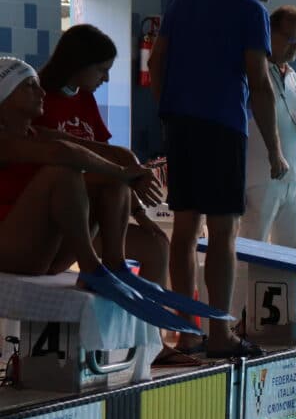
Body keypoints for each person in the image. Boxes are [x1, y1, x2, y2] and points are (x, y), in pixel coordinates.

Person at [0, 57, 200, 335]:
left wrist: (130, 178)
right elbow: (64, 154)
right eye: (30, 87)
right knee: (62, 174)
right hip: (9, 253)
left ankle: (114, 264)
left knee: (109, 183)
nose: (42, 92)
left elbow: (115, 154)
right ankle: (91, 266)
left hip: (44, 253)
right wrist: (123, 172)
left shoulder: (37, 134)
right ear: (5, 97)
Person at [149, 0, 284, 357]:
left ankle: (186, 333)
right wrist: (274, 149)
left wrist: (169, 111)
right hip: (222, 126)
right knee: (224, 232)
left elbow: (156, 60)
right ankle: (221, 333)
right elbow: (258, 80)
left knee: (185, 229)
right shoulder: (251, 10)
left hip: (180, 124)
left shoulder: (181, 5)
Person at [233, 6, 296, 326]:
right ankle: (235, 320)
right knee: (249, 251)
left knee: (289, 253)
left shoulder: (291, 75)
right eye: (290, 39)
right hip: (260, 174)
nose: (295, 47)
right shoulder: (253, 68)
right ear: (270, 33)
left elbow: (292, 117)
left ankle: (279, 321)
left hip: (294, 177)